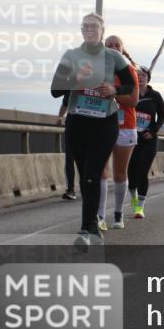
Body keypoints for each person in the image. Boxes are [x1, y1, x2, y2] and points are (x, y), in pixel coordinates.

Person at [51, 14, 135, 249]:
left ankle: (86, 229)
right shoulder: (71, 55)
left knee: (92, 174)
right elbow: (55, 90)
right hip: (77, 122)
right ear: (81, 30)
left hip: (104, 122)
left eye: (94, 27)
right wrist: (75, 79)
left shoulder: (114, 56)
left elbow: (130, 85)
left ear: (102, 30)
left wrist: (114, 89)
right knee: (85, 177)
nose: (90, 30)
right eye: (86, 26)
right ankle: (93, 225)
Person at [99, 35, 139, 229]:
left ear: (123, 50)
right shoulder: (98, 69)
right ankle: (99, 216)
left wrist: (114, 94)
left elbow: (133, 100)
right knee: (101, 171)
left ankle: (118, 214)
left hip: (125, 126)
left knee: (120, 173)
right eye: (110, 45)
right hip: (102, 124)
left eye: (117, 45)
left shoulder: (129, 70)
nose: (113, 48)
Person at [126, 67, 164, 228]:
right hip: (131, 138)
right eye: (137, 75)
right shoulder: (131, 93)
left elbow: (162, 115)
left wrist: (154, 130)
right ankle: (133, 197)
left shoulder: (155, 96)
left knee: (143, 171)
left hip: (148, 139)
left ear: (148, 78)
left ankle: (139, 207)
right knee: (131, 173)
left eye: (143, 75)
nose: (141, 77)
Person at [56, 95, 77, 200]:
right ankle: (70, 189)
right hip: (72, 125)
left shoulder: (95, 82)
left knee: (86, 159)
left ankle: (88, 186)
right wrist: (60, 116)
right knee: (69, 158)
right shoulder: (72, 84)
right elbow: (65, 103)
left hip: (89, 126)